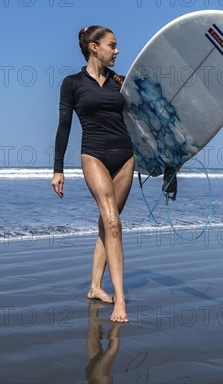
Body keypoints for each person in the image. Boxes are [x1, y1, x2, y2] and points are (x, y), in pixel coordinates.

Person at [51, 25, 135, 322]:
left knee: (108, 224)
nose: (117, 50)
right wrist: (58, 168)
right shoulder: (72, 83)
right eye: (112, 45)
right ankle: (121, 301)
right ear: (94, 47)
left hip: (126, 158)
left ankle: (96, 286)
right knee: (113, 223)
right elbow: (64, 126)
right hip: (94, 156)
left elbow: (144, 121)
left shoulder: (121, 82)